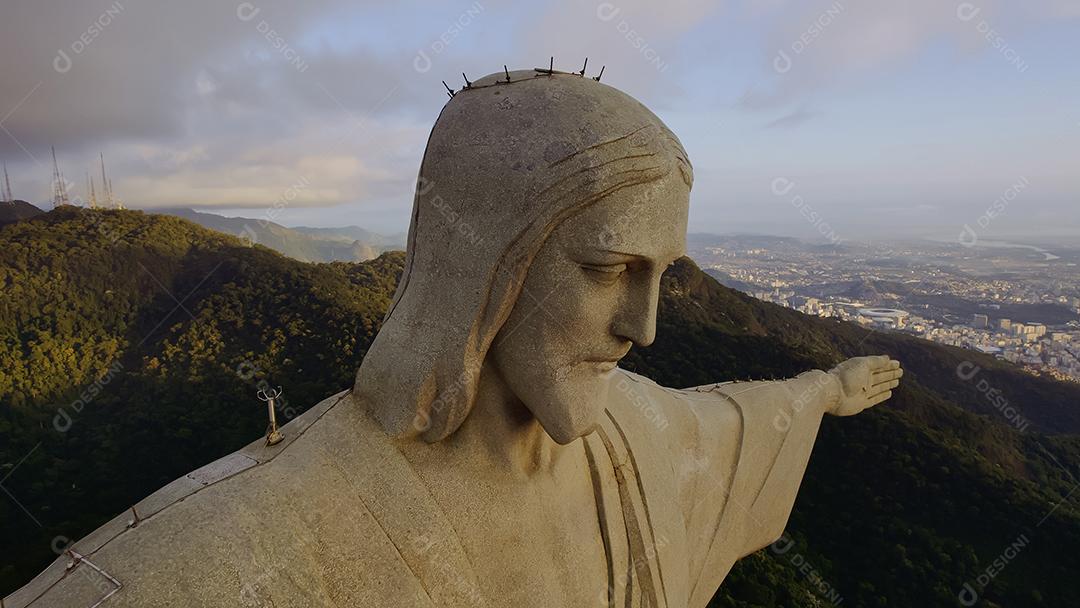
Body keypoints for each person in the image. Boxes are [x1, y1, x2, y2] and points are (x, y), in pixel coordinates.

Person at [8, 68, 901, 608]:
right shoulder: (267, 537)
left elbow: (728, 421)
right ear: (483, 260)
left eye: (666, 274)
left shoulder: (633, 436)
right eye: (607, 269)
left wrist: (823, 388)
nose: (646, 327)